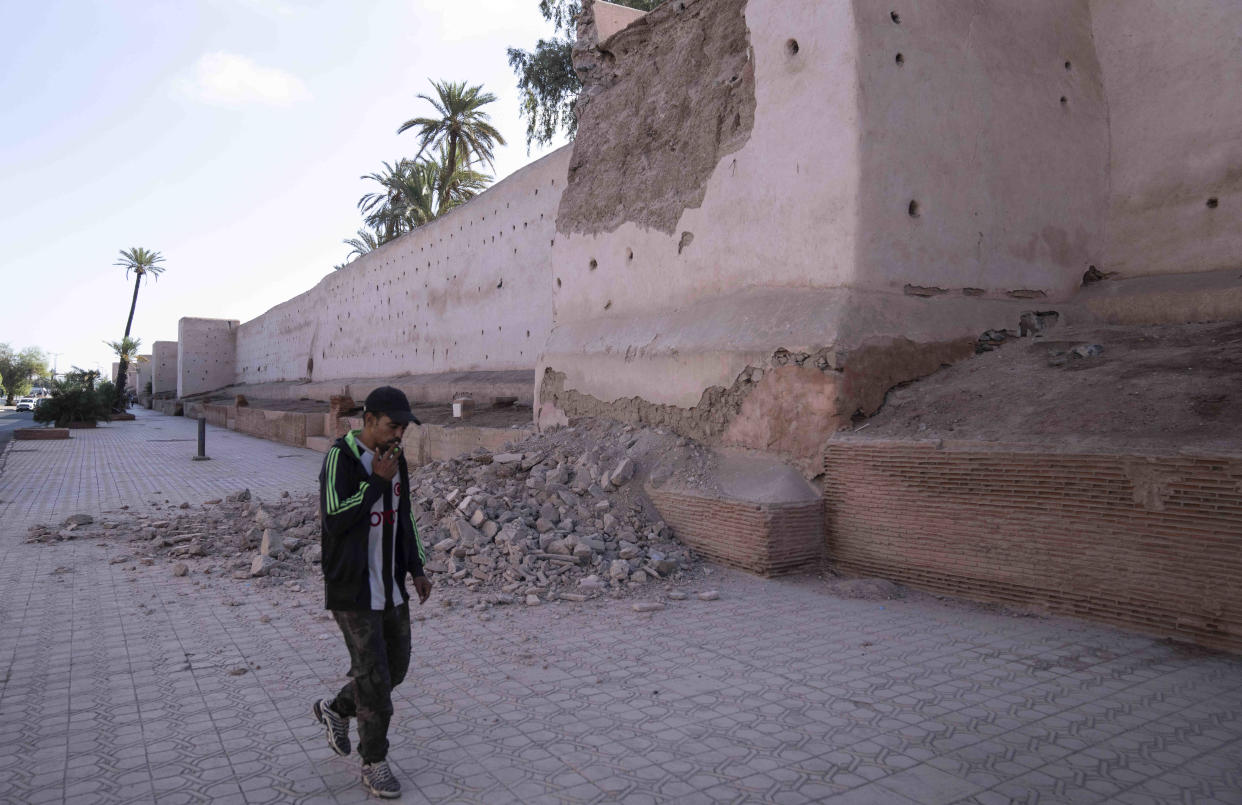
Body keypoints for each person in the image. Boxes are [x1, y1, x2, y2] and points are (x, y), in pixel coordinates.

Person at [312, 386, 432, 799]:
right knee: (375, 681)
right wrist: (375, 484)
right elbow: (333, 519)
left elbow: (405, 519)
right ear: (369, 420)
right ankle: (374, 762)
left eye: (403, 427)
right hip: (353, 591)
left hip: (391, 588)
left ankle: (336, 709)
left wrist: (416, 568)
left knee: (394, 669)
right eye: (391, 425)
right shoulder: (340, 458)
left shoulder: (395, 461)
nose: (398, 434)